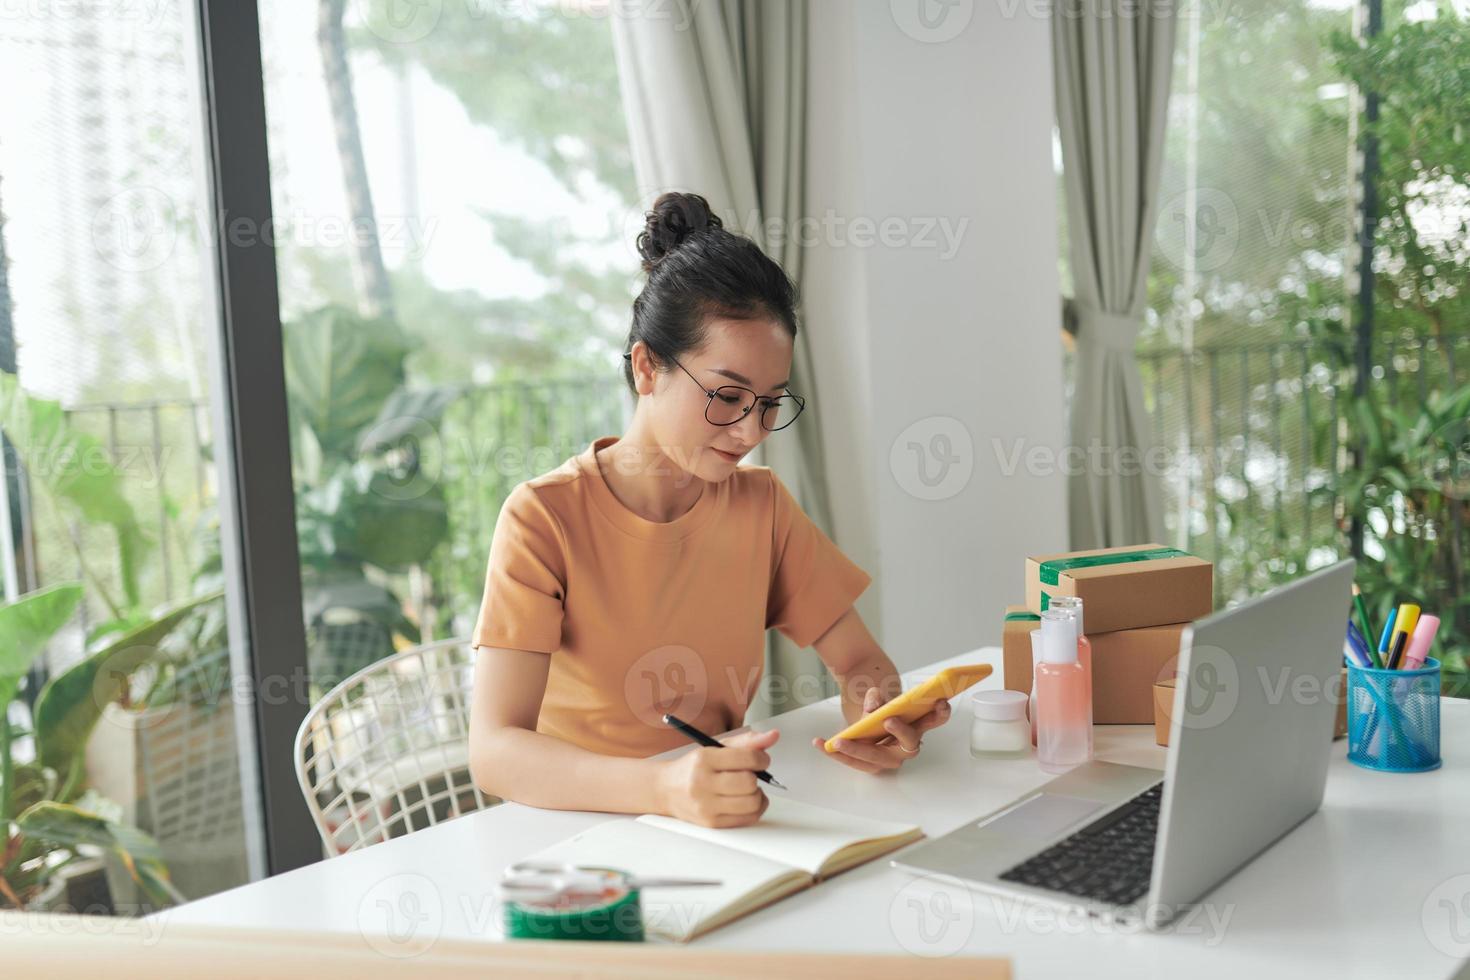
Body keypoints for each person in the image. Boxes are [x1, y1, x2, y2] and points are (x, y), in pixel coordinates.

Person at [468, 191, 951, 828]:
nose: (751, 432)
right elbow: (496, 752)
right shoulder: (544, 518)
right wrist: (663, 789)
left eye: (771, 402)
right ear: (647, 367)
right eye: (727, 396)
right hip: (572, 832)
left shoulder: (762, 508)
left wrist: (879, 711)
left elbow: (861, 662)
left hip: (720, 822)